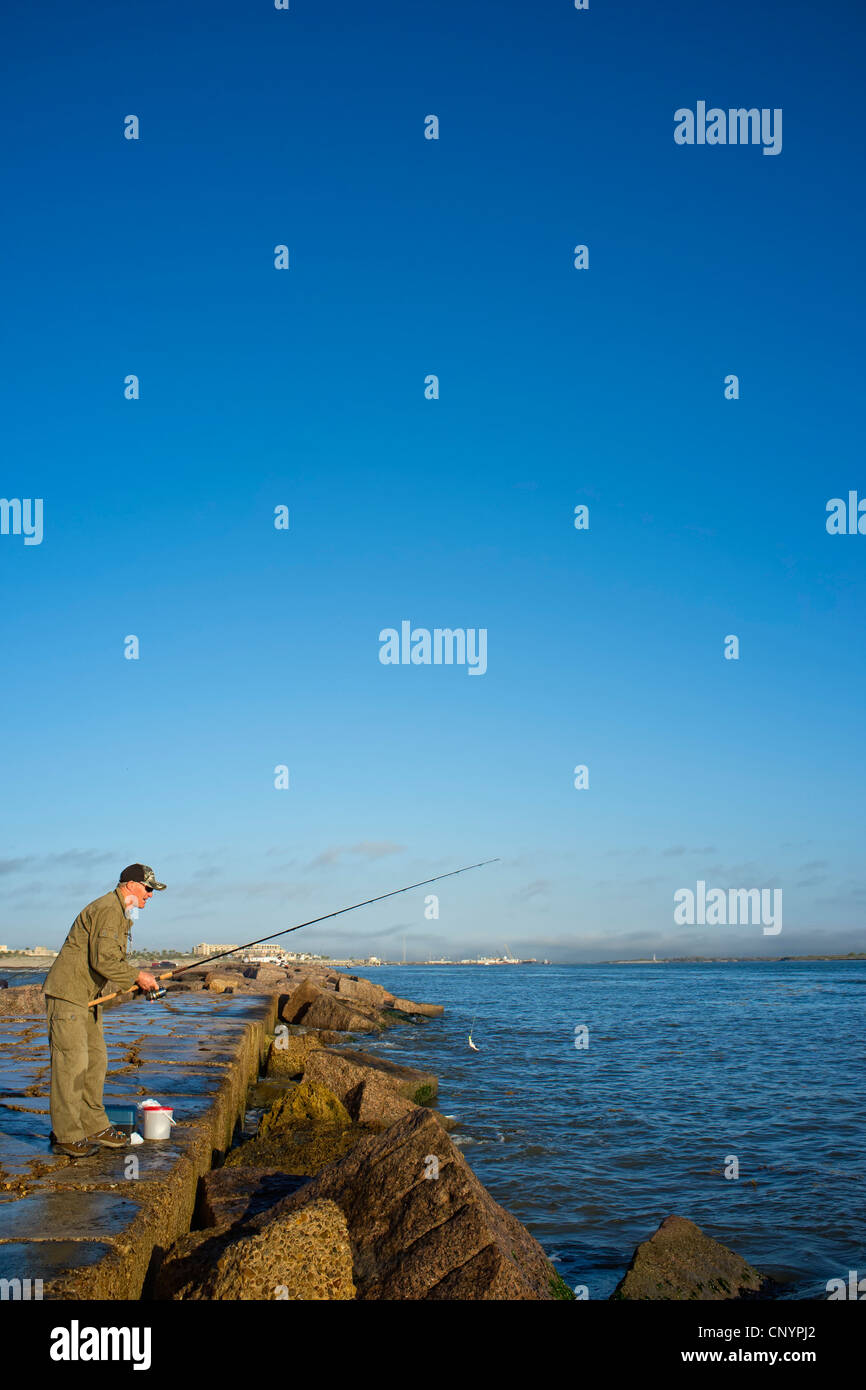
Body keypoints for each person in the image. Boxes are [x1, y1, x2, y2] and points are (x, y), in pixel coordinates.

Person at [43, 863, 166, 1158]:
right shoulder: (109, 910)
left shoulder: (120, 912)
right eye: (148, 889)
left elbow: (106, 961)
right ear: (130, 885)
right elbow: (105, 960)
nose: (150, 895)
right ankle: (67, 1135)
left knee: (96, 1062)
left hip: (87, 1000)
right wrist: (138, 977)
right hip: (68, 996)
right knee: (71, 1066)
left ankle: (94, 1126)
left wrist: (132, 980)